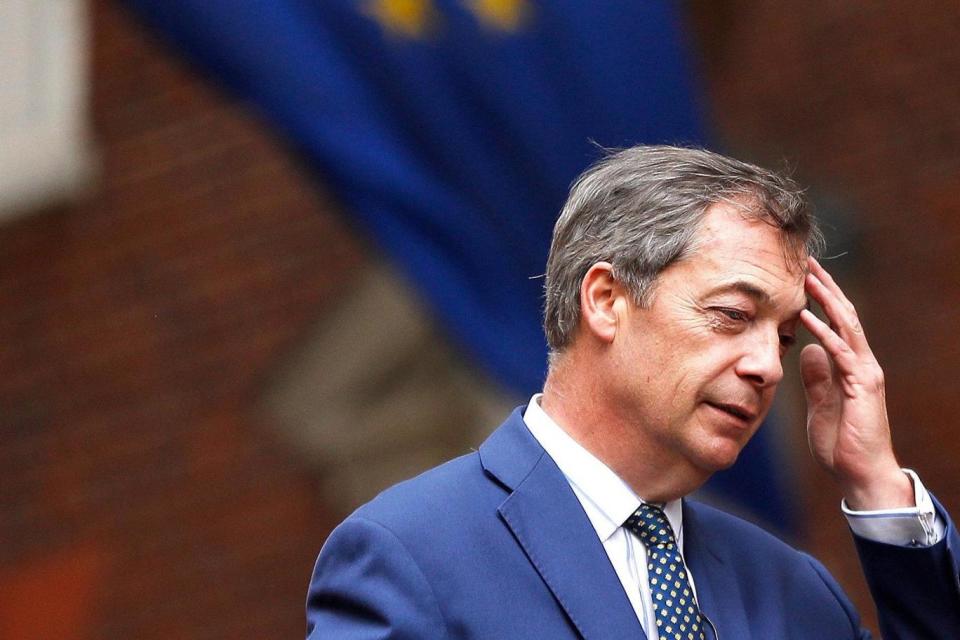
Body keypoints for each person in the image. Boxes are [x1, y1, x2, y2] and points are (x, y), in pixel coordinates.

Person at [305, 146, 960, 639]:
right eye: (733, 314)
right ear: (606, 301)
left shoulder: (795, 592)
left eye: (785, 338)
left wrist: (878, 487)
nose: (768, 366)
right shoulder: (410, 553)